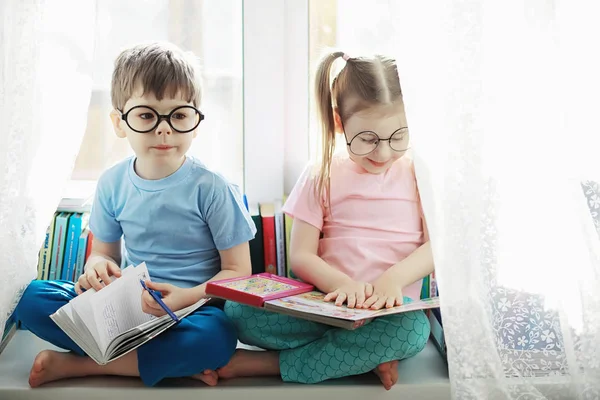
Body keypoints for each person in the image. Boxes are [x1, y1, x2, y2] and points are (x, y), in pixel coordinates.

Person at [13, 42, 256, 388]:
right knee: (29, 299)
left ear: (196, 121)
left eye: (179, 115)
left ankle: (82, 366)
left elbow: (238, 273)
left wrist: (188, 296)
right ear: (119, 122)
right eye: (146, 115)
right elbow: (104, 253)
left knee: (216, 339)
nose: (164, 129)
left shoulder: (212, 188)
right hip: (126, 311)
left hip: (192, 311)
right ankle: (161, 364)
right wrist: (96, 268)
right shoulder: (112, 182)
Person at [219, 51, 433, 390]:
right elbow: (301, 255)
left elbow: (437, 247)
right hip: (324, 308)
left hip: (387, 315)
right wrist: (342, 286)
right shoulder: (321, 171)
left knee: (414, 330)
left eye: (398, 137)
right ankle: (363, 358)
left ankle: (273, 365)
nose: (383, 153)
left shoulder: (419, 173)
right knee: (236, 312)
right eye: (367, 140)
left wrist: (392, 281)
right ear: (339, 122)